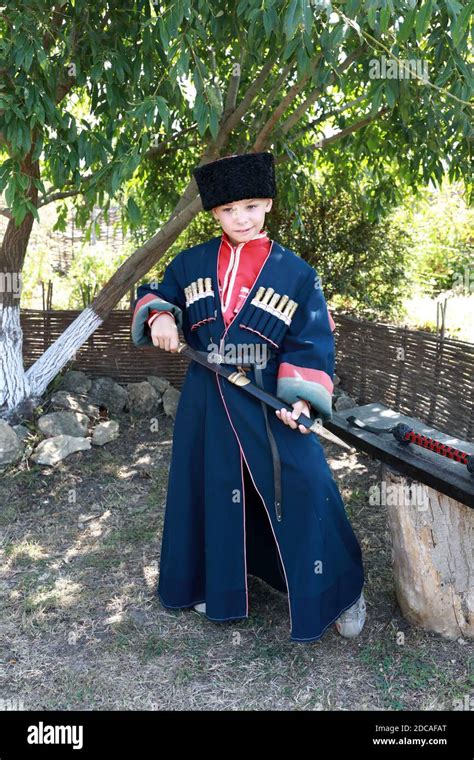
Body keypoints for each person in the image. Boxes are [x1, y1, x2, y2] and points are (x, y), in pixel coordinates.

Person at [131, 152, 366, 642]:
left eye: (252, 206)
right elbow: (155, 291)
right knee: (212, 484)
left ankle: (339, 590)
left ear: (268, 205)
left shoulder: (296, 274)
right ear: (214, 213)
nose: (242, 218)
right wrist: (161, 317)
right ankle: (215, 584)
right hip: (207, 397)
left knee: (306, 480)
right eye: (230, 210)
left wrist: (301, 399)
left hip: (268, 397)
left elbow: (311, 339)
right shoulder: (190, 262)